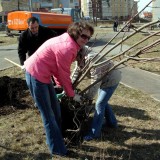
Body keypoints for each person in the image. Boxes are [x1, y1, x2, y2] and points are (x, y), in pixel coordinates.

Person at [23, 21, 94, 157]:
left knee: (56, 110)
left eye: (88, 38)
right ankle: (57, 149)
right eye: (83, 36)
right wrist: (71, 94)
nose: (85, 40)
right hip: (36, 75)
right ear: (75, 33)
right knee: (49, 116)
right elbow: (63, 73)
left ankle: (57, 139)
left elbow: (57, 68)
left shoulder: (70, 42)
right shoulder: (67, 47)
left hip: (44, 75)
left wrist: (60, 86)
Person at [72, 45, 121, 141]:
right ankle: (112, 123)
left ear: (78, 53)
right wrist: (69, 87)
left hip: (111, 80)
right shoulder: (81, 57)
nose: (72, 60)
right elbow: (76, 72)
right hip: (103, 80)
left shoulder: (92, 58)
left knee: (99, 104)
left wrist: (88, 97)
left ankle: (94, 134)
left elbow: (95, 81)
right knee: (103, 102)